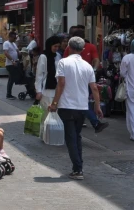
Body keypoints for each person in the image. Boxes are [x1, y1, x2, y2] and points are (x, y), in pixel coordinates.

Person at [48, 37, 103, 180]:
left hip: (66, 106)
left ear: (69, 48)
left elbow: (61, 83)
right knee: (77, 136)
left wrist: (54, 103)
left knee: (71, 138)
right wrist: (97, 106)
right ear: (83, 50)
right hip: (82, 107)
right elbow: (94, 88)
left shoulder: (63, 62)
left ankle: (78, 169)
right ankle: (78, 167)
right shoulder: (87, 66)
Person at [66, 29, 109, 133]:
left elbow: (65, 62)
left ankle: (93, 122)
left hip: (74, 79)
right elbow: (96, 60)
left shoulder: (70, 48)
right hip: (86, 79)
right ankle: (94, 123)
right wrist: (93, 70)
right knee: (83, 102)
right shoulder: (91, 47)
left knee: (82, 102)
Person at [35, 36, 61, 141]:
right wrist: (38, 91)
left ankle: (52, 134)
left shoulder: (58, 56)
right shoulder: (43, 57)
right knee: (46, 113)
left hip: (56, 89)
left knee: (55, 114)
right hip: (46, 90)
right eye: (55, 46)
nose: (56, 48)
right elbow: (39, 75)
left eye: (58, 46)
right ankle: (44, 135)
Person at [4, 31, 20, 100]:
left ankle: (9, 94)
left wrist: (19, 54)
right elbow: (6, 53)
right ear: (10, 37)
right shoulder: (6, 43)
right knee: (11, 79)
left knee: (12, 78)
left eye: (15, 38)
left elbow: (17, 51)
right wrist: (12, 60)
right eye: (14, 38)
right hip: (10, 64)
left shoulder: (13, 43)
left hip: (15, 63)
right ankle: (8, 94)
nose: (15, 39)